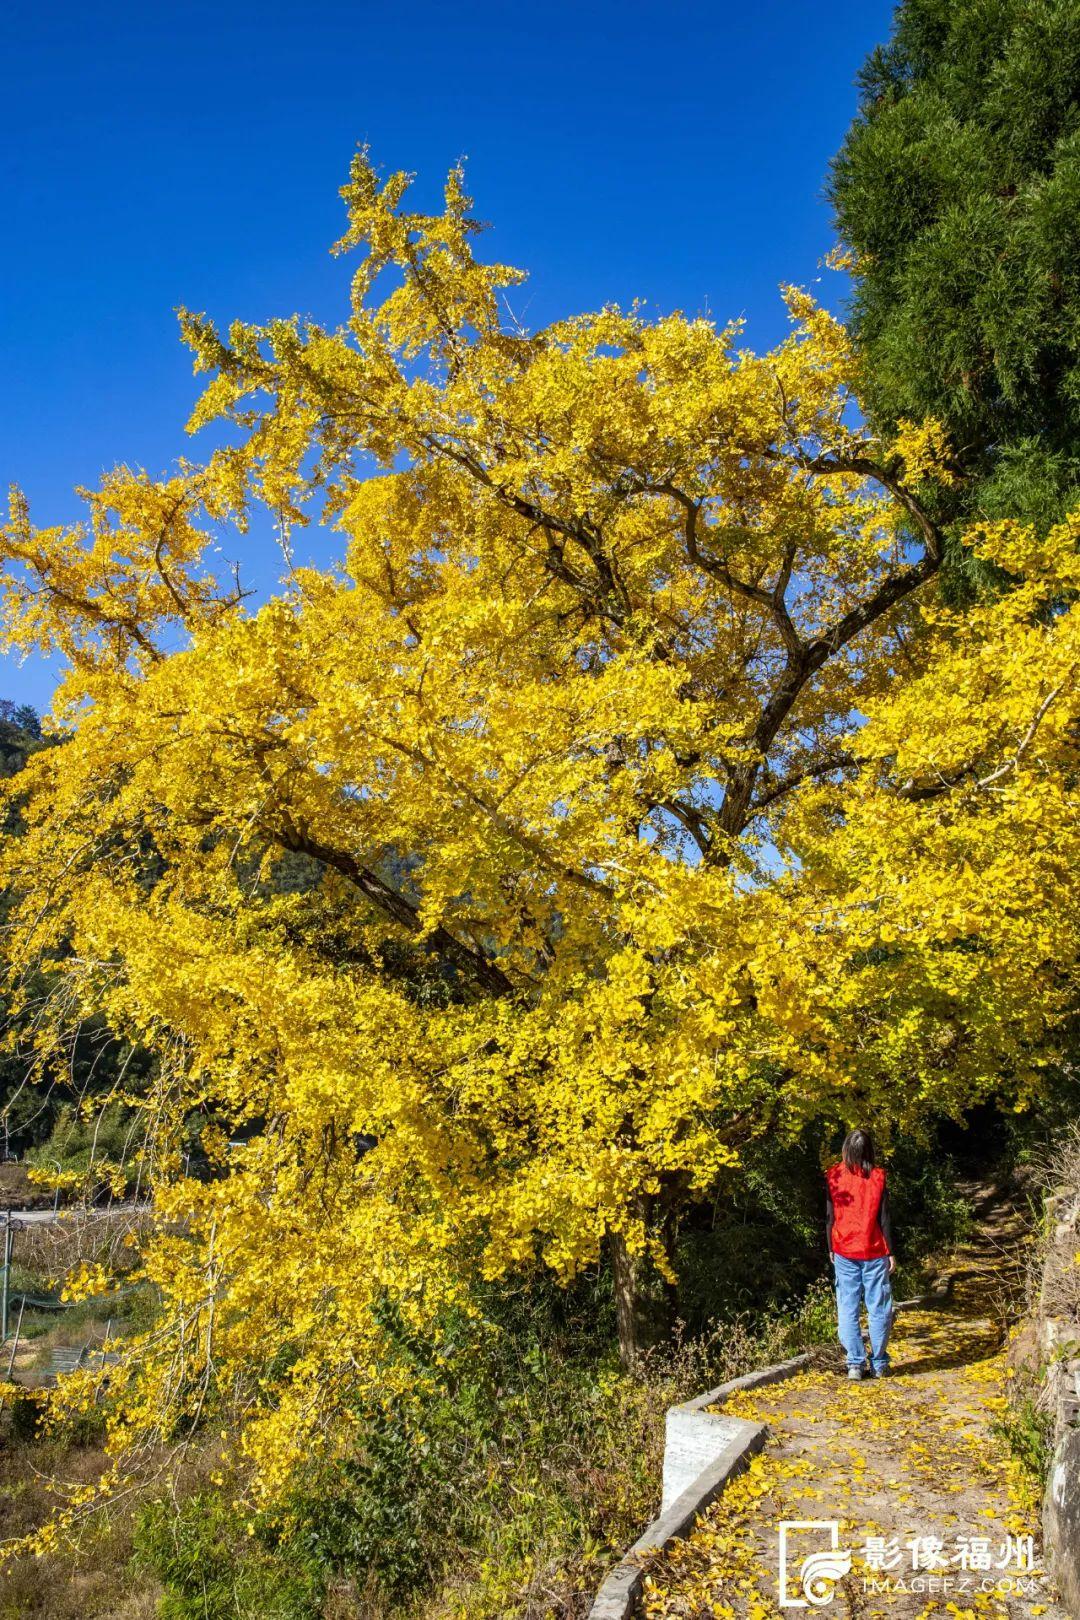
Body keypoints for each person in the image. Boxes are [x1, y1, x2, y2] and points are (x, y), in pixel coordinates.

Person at [825, 1127, 896, 1381]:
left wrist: (830, 1247)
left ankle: (855, 1363)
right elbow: (884, 1217)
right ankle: (878, 1363)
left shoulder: (833, 1175)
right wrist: (890, 1251)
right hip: (874, 1249)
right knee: (879, 1307)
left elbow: (830, 1216)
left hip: (844, 1248)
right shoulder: (878, 1177)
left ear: (846, 1149)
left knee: (847, 1306)